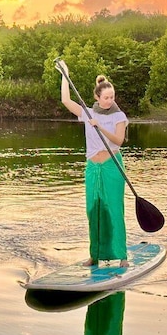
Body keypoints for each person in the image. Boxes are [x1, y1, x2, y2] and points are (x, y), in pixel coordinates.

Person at [57, 60, 129, 267]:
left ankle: (122, 256)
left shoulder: (119, 116)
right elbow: (66, 100)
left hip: (112, 166)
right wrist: (65, 75)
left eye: (112, 97)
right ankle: (95, 255)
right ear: (97, 97)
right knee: (94, 210)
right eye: (106, 97)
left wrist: (100, 127)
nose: (109, 100)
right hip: (92, 168)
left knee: (114, 208)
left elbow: (118, 141)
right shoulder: (88, 113)